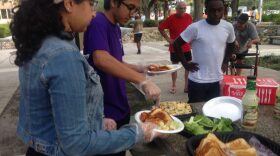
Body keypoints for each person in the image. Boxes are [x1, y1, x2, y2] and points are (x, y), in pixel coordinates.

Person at [11, 0, 161, 155]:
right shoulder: (64, 55)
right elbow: (76, 144)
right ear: (69, 4)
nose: (94, 13)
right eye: (91, 4)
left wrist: (96, 122)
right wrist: (139, 132)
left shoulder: (41, 43)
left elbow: (52, 110)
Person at [83, 0, 161, 155]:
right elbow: (102, 59)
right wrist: (143, 81)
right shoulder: (98, 22)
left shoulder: (116, 28)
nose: (132, 13)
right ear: (113, 2)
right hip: (105, 114)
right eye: (130, 7)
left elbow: (116, 62)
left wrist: (140, 69)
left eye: (135, 10)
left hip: (120, 108)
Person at [173, 0, 236, 103]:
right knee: (197, 112)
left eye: (219, 10)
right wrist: (185, 64)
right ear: (206, 11)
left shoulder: (228, 27)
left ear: (223, 10)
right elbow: (176, 44)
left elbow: (231, 43)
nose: (216, 13)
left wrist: (225, 61)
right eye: (212, 10)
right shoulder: (195, 27)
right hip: (197, 80)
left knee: (213, 111)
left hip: (217, 79)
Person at [158, 1, 192, 94]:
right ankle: (173, 85)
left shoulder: (189, 17)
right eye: (181, 8)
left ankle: (186, 86)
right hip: (175, 48)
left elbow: (191, 30)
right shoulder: (171, 18)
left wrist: (192, 42)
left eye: (184, 8)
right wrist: (168, 39)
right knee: (174, 68)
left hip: (186, 48)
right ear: (176, 9)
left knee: (187, 67)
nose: (183, 10)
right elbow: (160, 28)